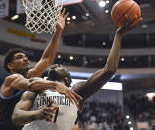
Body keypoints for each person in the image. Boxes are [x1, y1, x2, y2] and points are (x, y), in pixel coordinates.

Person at [12, 15, 142, 130]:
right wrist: (38, 114)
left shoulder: (76, 92)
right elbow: (17, 116)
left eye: (61, 66)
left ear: (68, 79)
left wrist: (118, 36)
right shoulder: (37, 88)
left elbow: (110, 70)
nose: (56, 64)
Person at [0, 9, 82, 130]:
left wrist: (58, 31)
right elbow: (30, 84)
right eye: (19, 57)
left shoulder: (30, 76)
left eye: (25, 57)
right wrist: (55, 84)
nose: (25, 59)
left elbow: (47, 59)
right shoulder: (11, 79)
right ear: (10, 66)